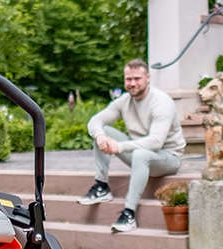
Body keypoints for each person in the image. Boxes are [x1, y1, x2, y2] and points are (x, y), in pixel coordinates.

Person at [78, 59, 185, 233]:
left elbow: (156, 141)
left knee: (140, 154)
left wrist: (119, 147)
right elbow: (96, 120)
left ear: (147, 78)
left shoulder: (161, 102)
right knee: (103, 131)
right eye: (128, 79)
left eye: (137, 78)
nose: (132, 83)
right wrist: (100, 136)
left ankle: (129, 213)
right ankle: (101, 186)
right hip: (139, 154)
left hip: (167, 158)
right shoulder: (125, 101)